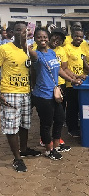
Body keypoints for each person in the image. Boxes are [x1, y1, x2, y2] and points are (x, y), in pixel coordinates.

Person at [29, 28, 80, 160]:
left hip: (54, 92)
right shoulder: (37, 54)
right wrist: (25, 43)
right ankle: (48, 149)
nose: (42, 39)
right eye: (39, 37)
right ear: (35, 39)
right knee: (46, 123)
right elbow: (32, 55)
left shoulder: (52, 53)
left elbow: (59, 70)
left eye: (44, 37)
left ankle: (56, 146)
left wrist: (72, 80)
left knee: (59, 118)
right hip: (42, 95)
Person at [0, 21, 42, 172]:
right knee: (12, 128)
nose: (21, 33)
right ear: (12, 32)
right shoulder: (4, 49)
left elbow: (37, 60)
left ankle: (24, 150)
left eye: (24, 31)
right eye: (18, 30)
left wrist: (26, 47)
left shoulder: (27, 50)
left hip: (25, 92)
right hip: (9, 92)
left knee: (24, 124)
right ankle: (17, 159)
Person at [64, 27, 87, 137]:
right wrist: (74, 77)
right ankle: (71, 129)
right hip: (70, 83)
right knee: (72, 107)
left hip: (80, 82)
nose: (79, 38)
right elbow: (64, 68)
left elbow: (83, 64)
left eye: (81, 37)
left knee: (78, 106)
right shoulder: (67, 48)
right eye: (77, 36)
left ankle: (76, 126)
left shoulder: (81, 48)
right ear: (72, 36)